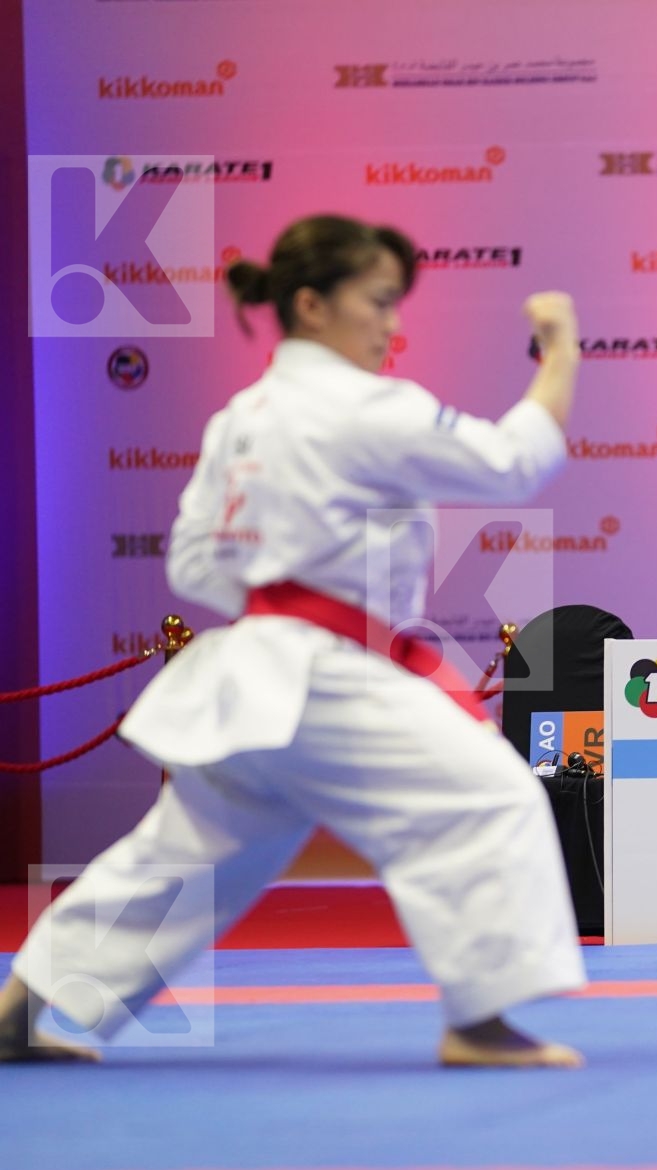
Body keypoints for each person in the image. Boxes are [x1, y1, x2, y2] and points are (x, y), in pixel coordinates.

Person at [0, 215, 587, 1068]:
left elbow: (194, 565)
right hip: (318, 671)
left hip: (255, 664)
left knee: (189, 854)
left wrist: (285, 577)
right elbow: (511, 465)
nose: (392, 324)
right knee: (491, 797)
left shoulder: (242, 416)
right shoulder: (361, 403)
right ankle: (480, 1022)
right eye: (378, 301)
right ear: (312, 304)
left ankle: (20, 1007)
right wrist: (561, 351)